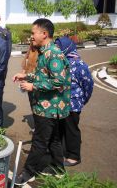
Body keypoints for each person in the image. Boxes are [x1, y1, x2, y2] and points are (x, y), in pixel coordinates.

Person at [13, 18, 71, 186]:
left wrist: (33, 85)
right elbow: (44, 75)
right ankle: (59, 170)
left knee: (39, 141)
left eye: (33, 33)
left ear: (44, 34)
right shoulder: (45, 51)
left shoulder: (52, 53)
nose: (31, 36)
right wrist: (26, 75)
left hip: (48, 107)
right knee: (53, 139)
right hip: (48, 107)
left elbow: (58, 81)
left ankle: (28, 173)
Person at [55, 36, 94, 167]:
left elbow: (88, 85)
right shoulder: (60, 62)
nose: (57, 49)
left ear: (66, 48)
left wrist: (82, 100)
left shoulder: (79, 64)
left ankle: (74, 156)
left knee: (71, 130)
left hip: (72, 104)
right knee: (59, 128)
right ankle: (58, 152)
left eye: (59, 47)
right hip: (60, 103)